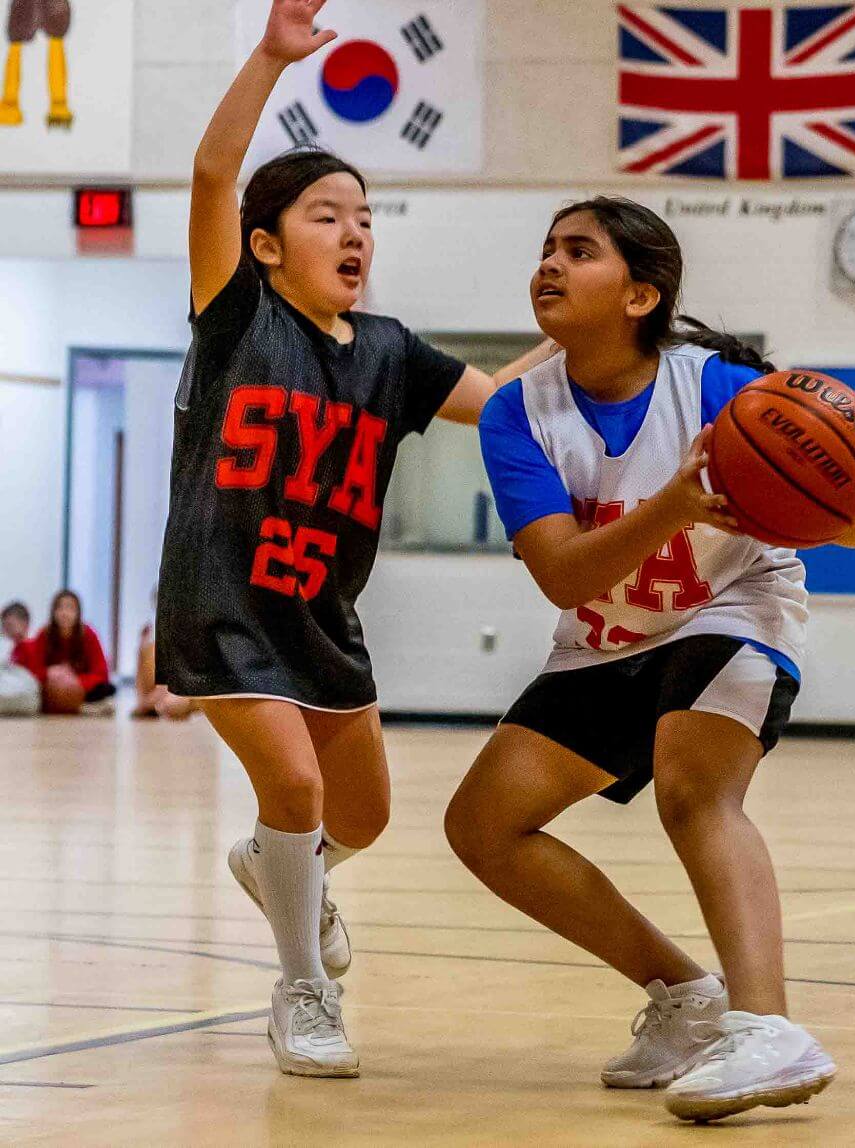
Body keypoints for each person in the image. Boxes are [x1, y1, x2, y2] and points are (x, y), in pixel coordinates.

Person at [155, 0, 554, 1079]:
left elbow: (503, 405)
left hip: (321, 615)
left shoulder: (389, 351)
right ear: (266, 243)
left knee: (360, 818)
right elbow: (207, 178)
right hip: (222, 600)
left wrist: (576, 335)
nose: (355, 232)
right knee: (293, 789)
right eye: (328, 214)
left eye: (366, 216)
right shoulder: (238, 317)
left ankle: (279, 865)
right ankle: (303, 989)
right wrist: (271, 57)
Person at [444, 197, 855, 1124]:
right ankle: (686, 997)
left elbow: (853, 533)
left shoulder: (722, 386)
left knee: (694, 791)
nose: (550, 265)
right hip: (604, 636)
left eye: (579, 252)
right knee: (483, 828)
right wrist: (672, 506)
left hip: (733, 606)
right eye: (546, 249)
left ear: (640, 294)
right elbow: (563, 578)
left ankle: (768, 1027)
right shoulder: (515, 415)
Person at [15, 590, 117, 715]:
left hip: (79, 686)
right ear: (53, 612)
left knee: (107, 688)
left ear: (78, 612)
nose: (65, 613)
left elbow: (101, 673)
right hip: (53, 686)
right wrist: (50, 672)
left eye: (70, 608)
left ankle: (80, 706)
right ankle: (83, 708)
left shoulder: (88, 634)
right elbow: (34, 671)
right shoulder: (44, 634)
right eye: (60, 608)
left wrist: (75, 680)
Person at [0, 601, 39, 716]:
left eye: (10, 625)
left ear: (25, 623)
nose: (6, 630)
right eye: (4, 626)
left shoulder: (31, 647)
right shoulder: (15, 649)